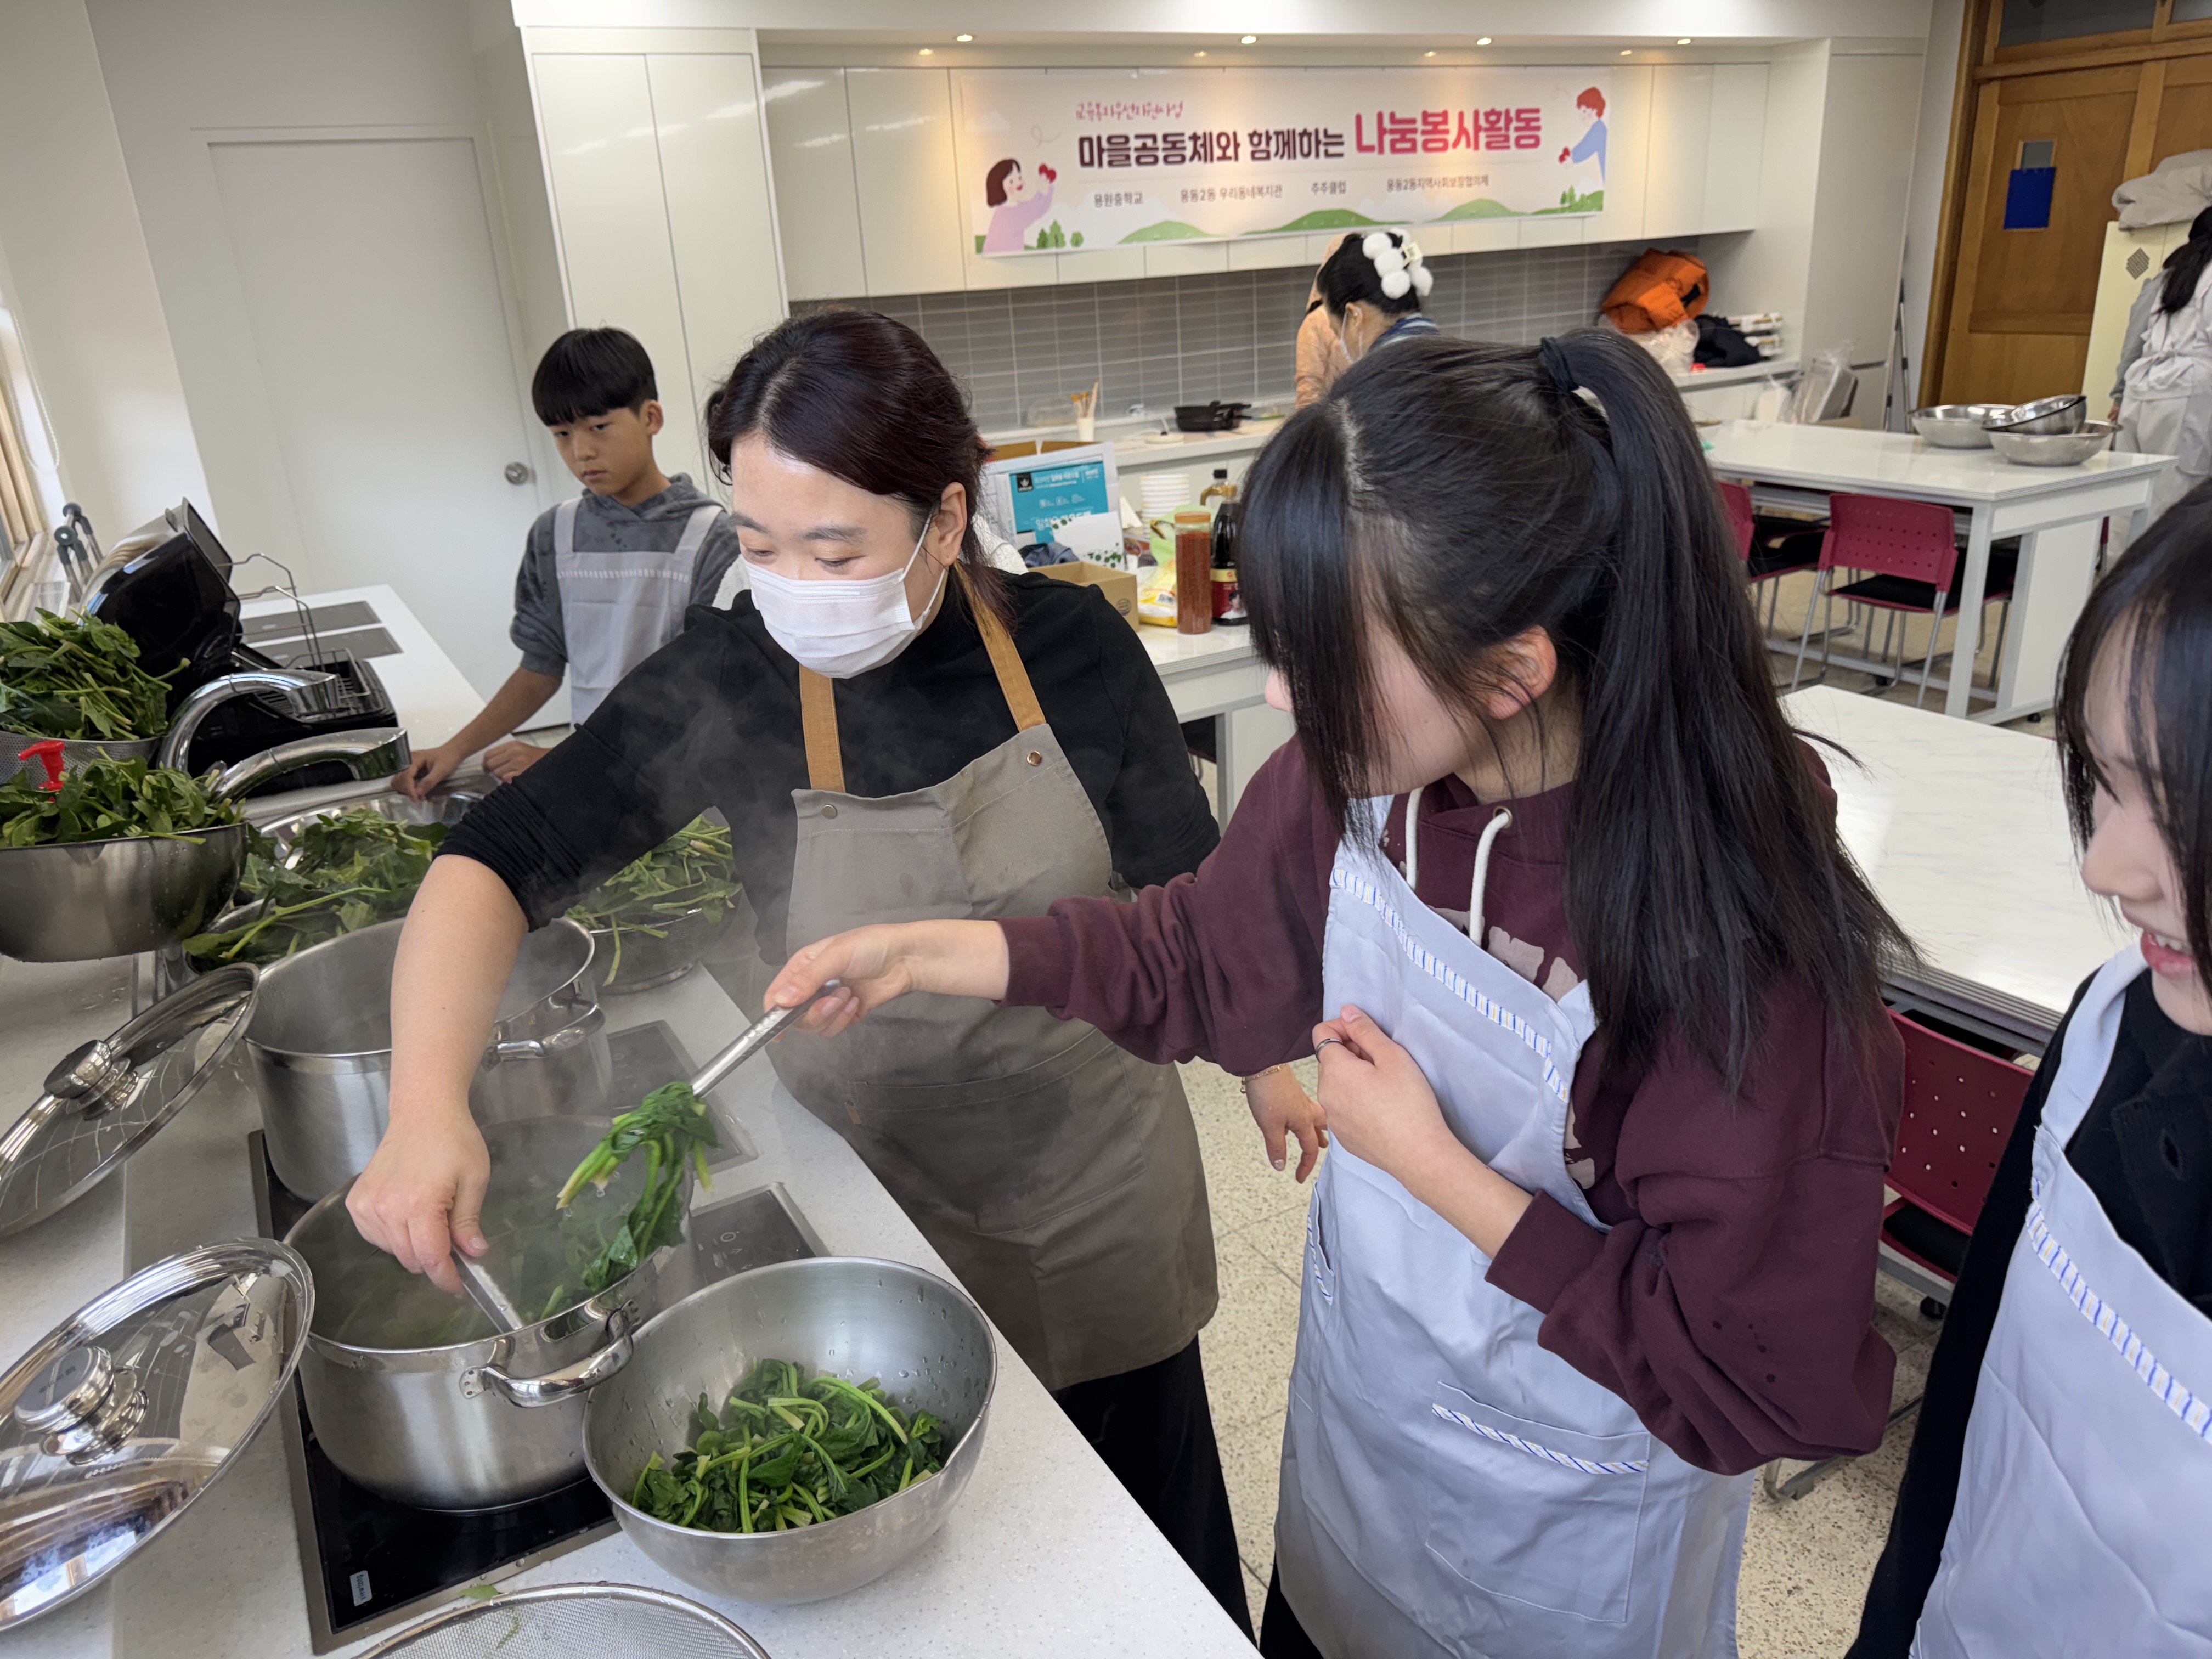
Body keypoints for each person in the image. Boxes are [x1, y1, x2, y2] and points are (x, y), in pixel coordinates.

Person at [763, 329, 1912, 1658]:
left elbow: (1754, 1380)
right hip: (1367, 1452)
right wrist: (931, 951)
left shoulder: (1734, 936)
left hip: (1571, 1532)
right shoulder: (1353, 786)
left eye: (1320, 659)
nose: (1274, 695)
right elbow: (1195, 957)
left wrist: (1435, 1167)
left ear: (1511, 671)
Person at [346, 308, 1257, 1636]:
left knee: (1148, 1570)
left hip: (1091, 1182)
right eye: (762, 545)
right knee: (936, 1581)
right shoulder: (735, 673)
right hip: (875, 1195)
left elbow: (1194, 890)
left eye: (835, 548)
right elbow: (490, 866)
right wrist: (424, 1110)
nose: (794, 587)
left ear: (944, 521)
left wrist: (1272, 1054)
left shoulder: (1073, 649)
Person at [1850, 493, 2212, 1658]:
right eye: (2105, 782)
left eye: (2188, 809)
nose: (2108, 865)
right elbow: (1965, 1399)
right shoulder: (2114, 1021)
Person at [395, 327, 741, 797]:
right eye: (562, 434)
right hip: (593, 770)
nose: (582, 452)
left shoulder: (712, 537)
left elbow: (706, 696)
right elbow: (540, 667)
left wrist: (566, 758)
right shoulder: (554, 534)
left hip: (680, 780)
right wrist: (456, 749)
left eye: (599, 427)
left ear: (651, 417)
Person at [2114, 206, 2212, 541]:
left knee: (2127, 502)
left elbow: (2134, 340)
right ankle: (2155, 593)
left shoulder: (2169, 275)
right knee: (2173, 505)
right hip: (2184, 399)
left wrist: (2118, 393)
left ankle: (2115, 586)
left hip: (2141, 391)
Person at [1317, 229, 1438, 364]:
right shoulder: (1451, 356)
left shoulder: (1377, 379)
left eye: (1337, 332)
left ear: (1354, 316)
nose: (1340, 343)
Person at [1295, 277, 1350, 408]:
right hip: (1335, 421)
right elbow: (1309, 395)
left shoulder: (1318, 321)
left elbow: (1308, 394)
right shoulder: (1318, 322)